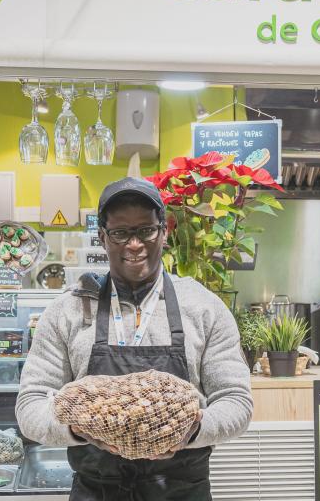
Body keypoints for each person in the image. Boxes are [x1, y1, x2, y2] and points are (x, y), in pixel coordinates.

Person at [16, 176, 253, 501]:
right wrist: (77, 428)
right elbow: (31, 405)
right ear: (103, 237)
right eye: (120, 233)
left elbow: (236, 401)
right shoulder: (67, 311)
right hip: (97, 491)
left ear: (164, 232)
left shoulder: (203, 307)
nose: (134, 244)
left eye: (146, 230)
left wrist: (190, 430)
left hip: (182, 492)